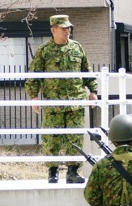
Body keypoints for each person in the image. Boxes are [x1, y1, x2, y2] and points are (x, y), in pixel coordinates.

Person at [25, 15, 98, 183]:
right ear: (53, 30)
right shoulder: (44, 51)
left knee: (75, 137)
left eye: (69, 28)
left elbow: (86, 71)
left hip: (75, 102)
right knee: (52, 138)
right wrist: (34, 97)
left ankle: (73, 172)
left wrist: (93, 91)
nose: (68, 31)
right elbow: (33, 75)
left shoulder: (77, 48)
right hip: (53, 103)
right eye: (64, 28)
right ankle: (53, 172)